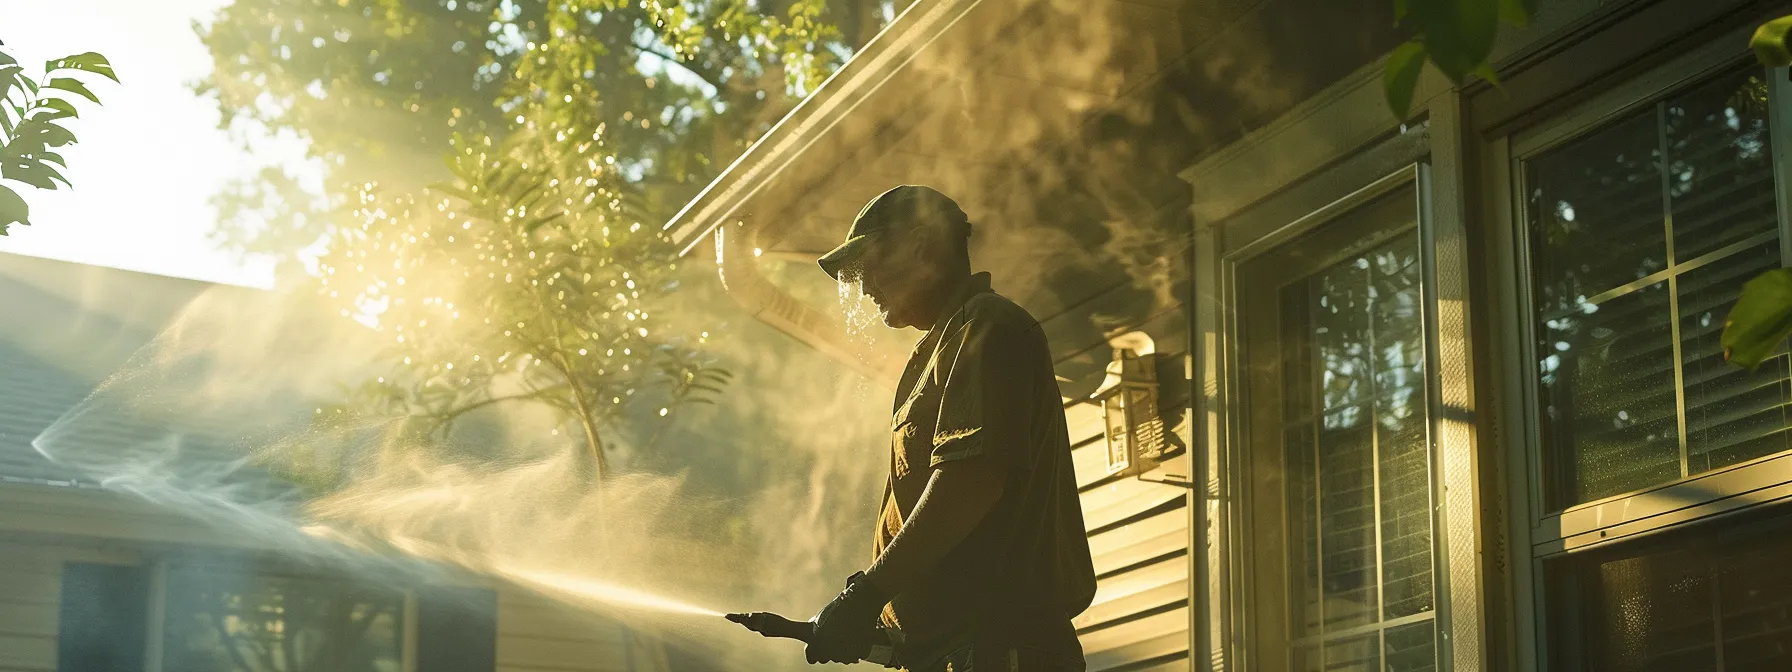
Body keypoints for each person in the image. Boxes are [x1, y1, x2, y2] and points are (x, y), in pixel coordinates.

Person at [804, 185, 1096, 671]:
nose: (864, 286)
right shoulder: (947, 344)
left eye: (870, 264)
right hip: (959, 651)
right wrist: (888, 627)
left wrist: (865, 595)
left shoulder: (986, 327)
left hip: (998, 651)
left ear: (920, 245)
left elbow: (970, 481)